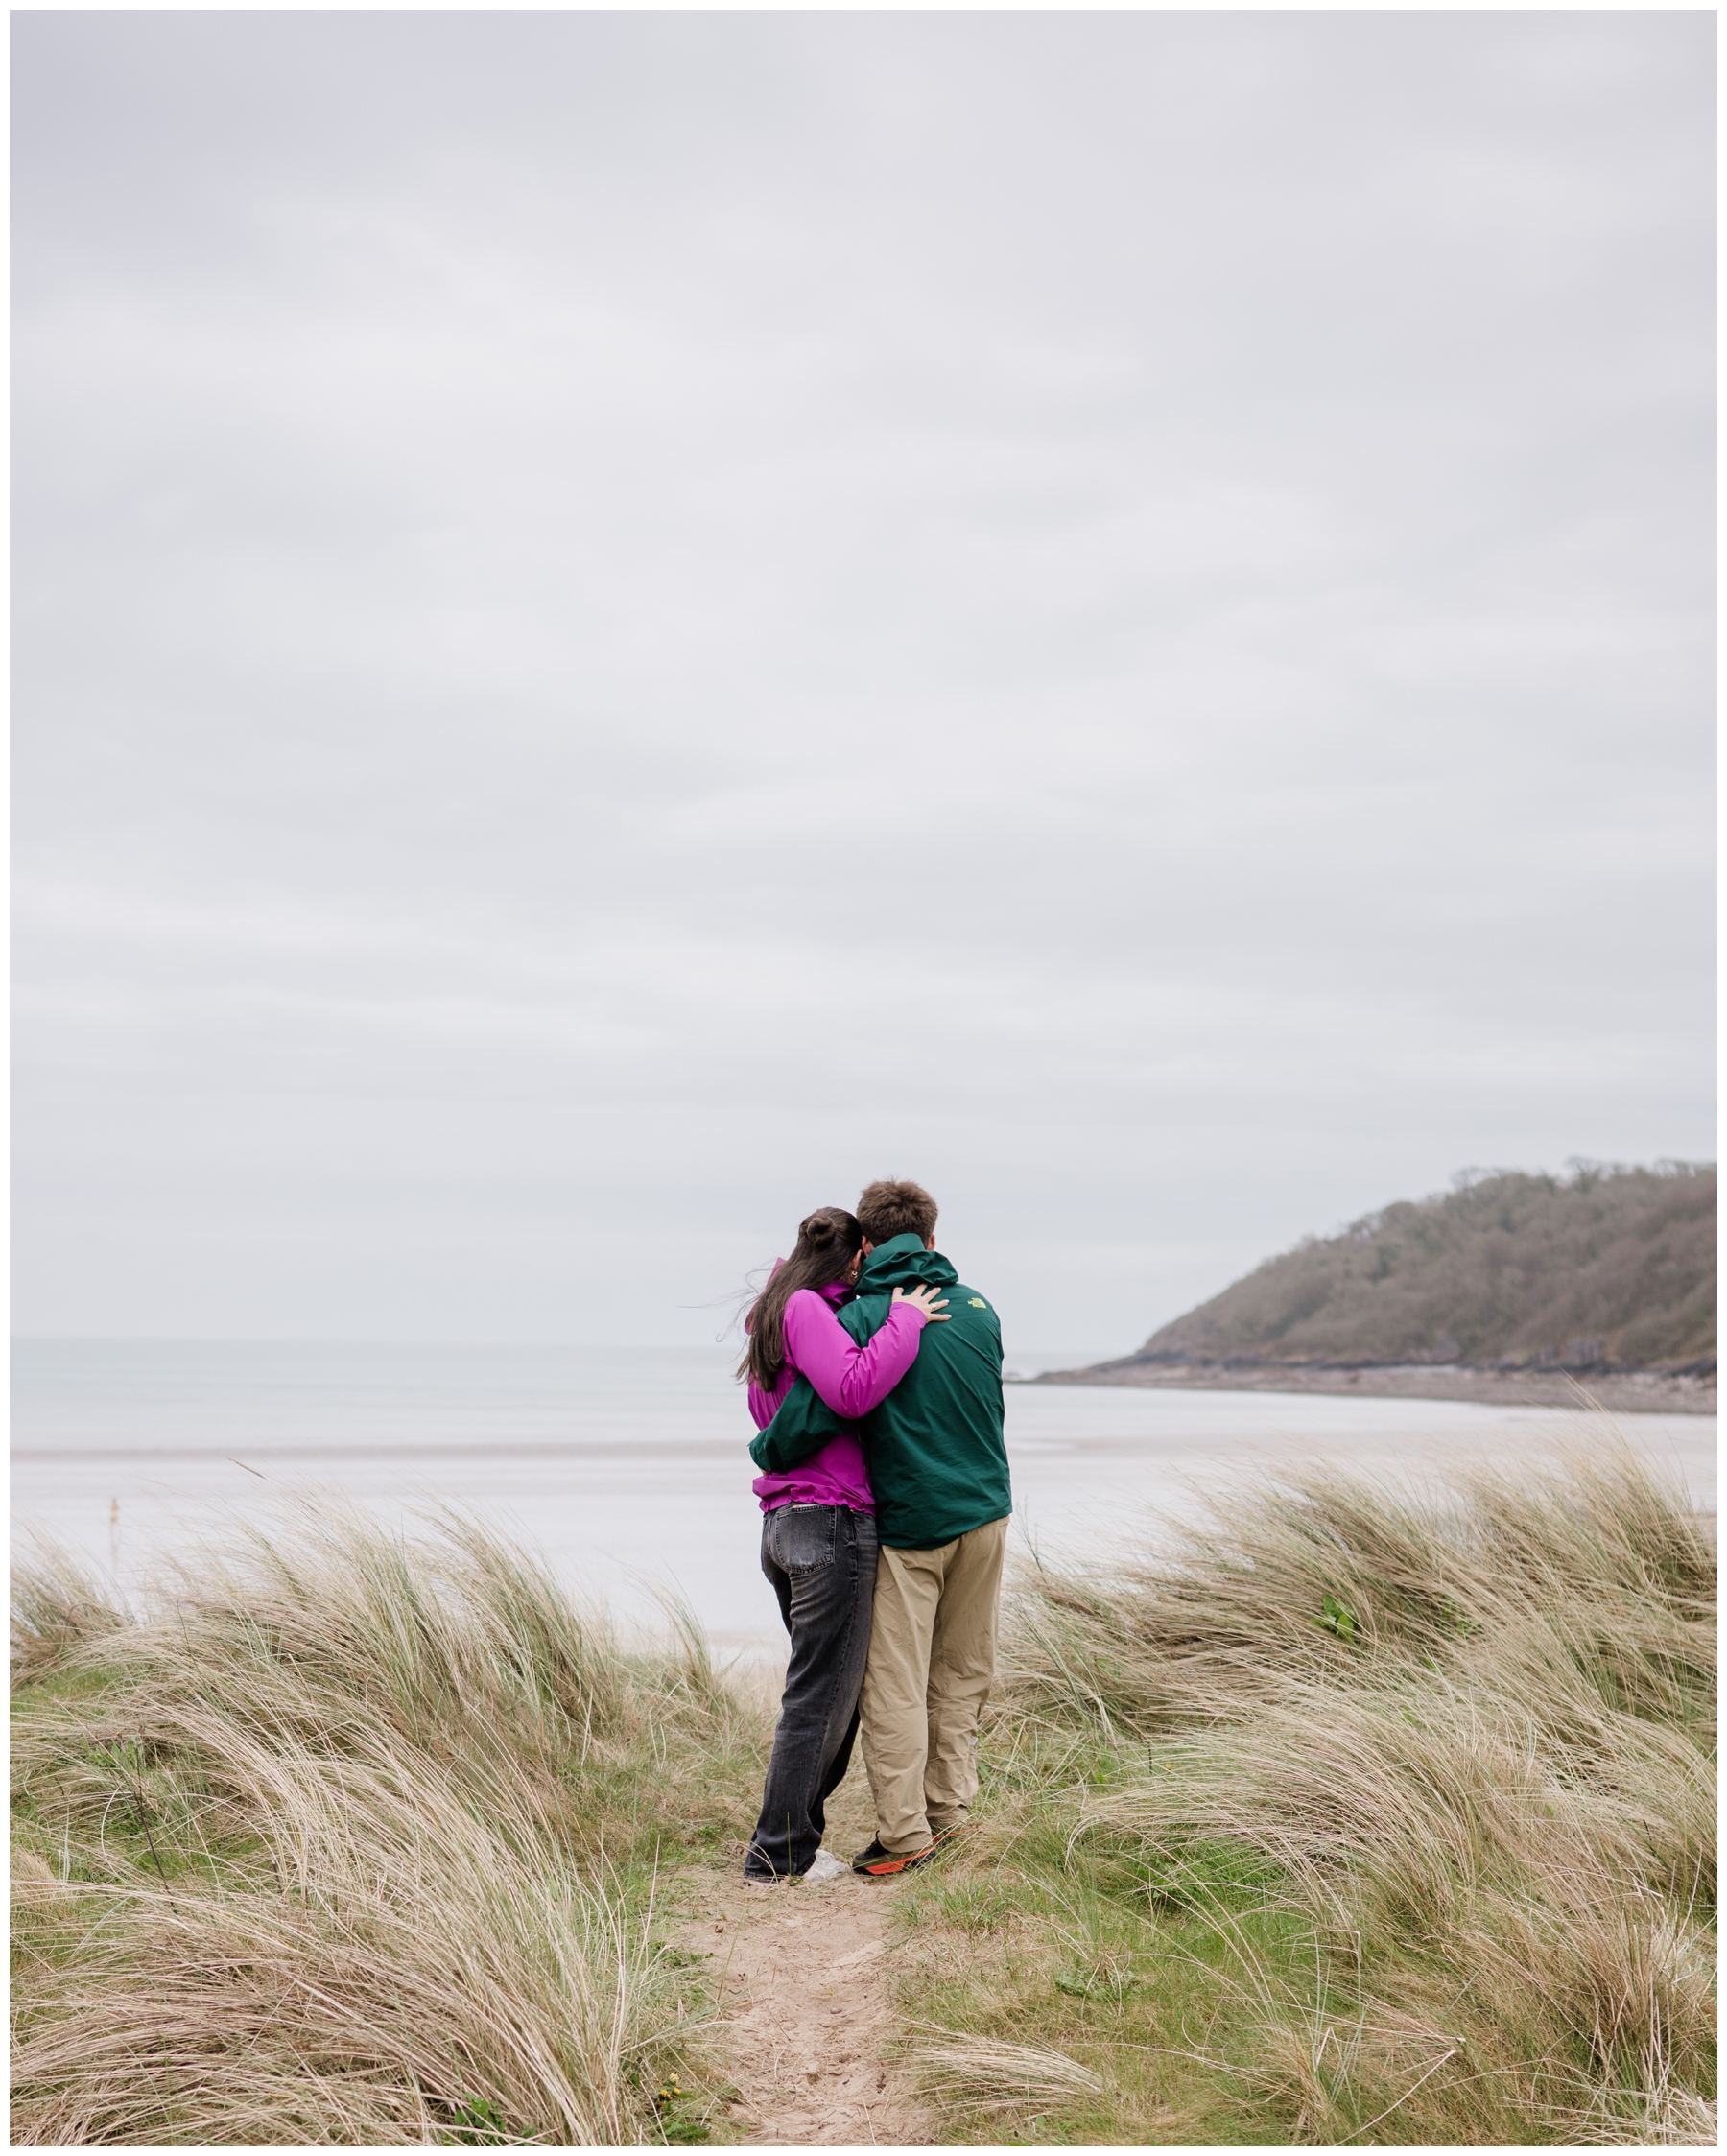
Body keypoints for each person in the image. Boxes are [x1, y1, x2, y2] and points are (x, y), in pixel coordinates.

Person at [749, 1178, 1009, 1878]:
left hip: (910, 1524)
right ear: (932, 1240)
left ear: (865, 1244)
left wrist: (765, 1451)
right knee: (961, 1673)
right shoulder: (980, 1309)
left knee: (893, 1683)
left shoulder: (864, 1313)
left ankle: (904, 1834)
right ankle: (952, 1812)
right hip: (988, 1515)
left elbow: (813, 1414)